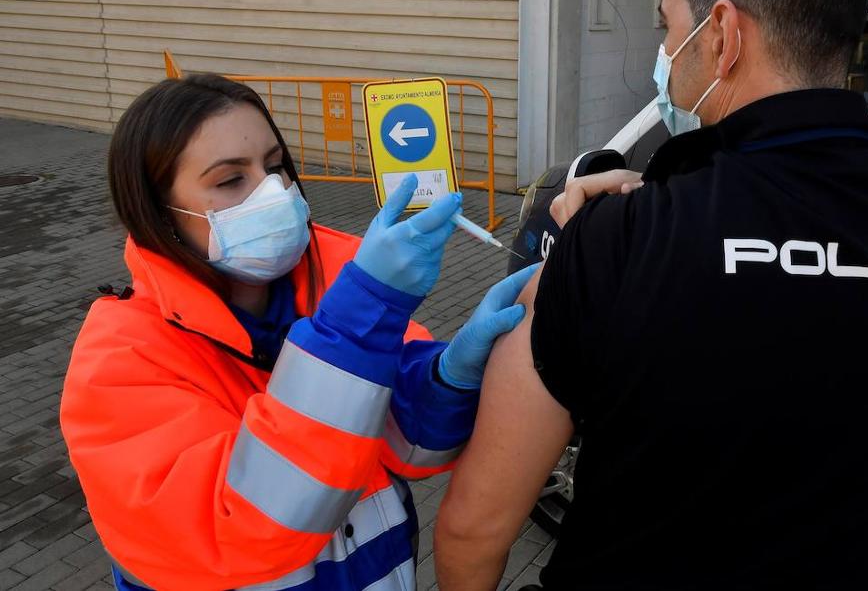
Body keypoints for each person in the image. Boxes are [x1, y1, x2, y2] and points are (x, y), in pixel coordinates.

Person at [434, 0, 868, 590]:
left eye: (668, 26)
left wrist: (589, 250)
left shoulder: (622, 239)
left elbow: (473, 529)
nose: (664, 53)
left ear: (721, 35)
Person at [60, 72, 536, 591]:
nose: (275, 192)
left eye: (275, 165)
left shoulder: (335, 280)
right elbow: (249, 528)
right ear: (159, 213)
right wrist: (359, 322)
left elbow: (409, 447)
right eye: (229, 180)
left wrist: (447, 377)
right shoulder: (120, 360)